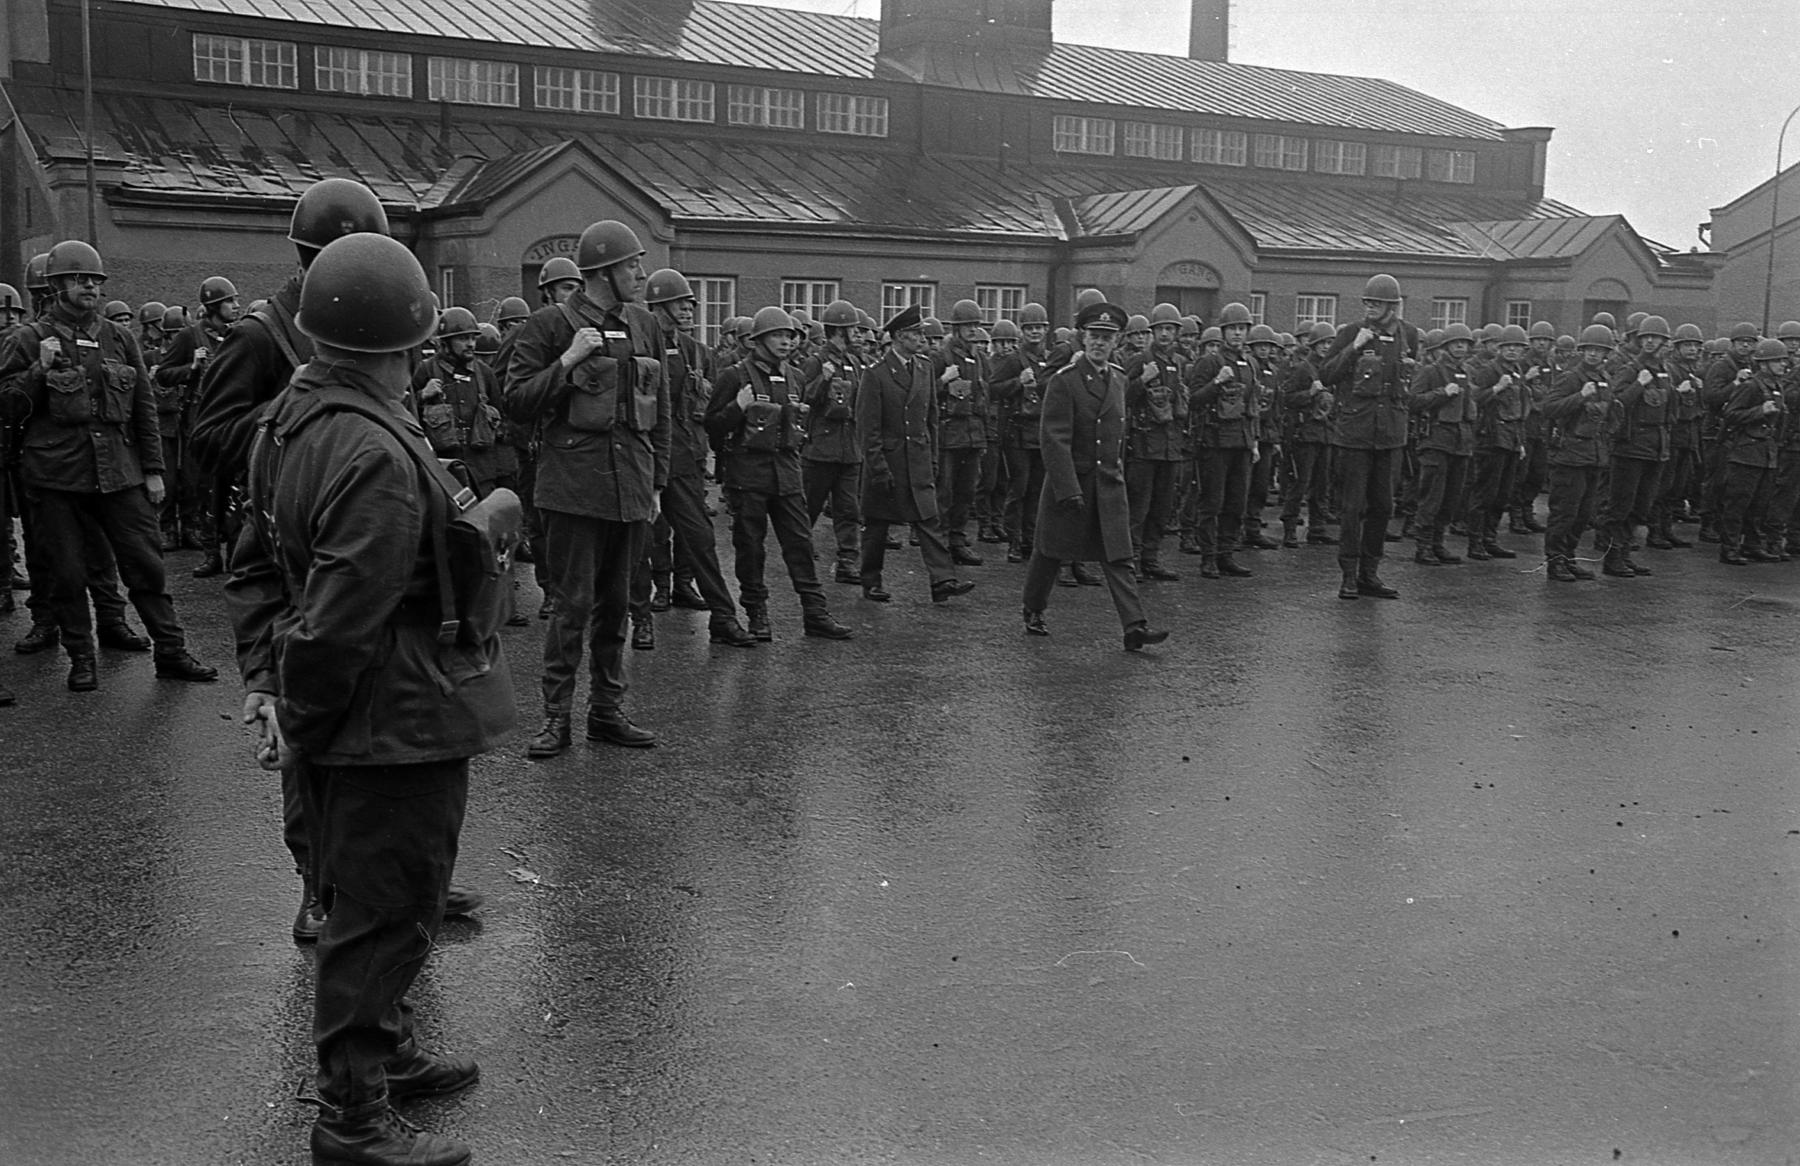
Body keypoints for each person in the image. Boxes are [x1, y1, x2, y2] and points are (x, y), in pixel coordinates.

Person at [225, 231, 514, 1166]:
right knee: (386, 910)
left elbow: (255, 568)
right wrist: (302, 721)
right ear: (412, 337)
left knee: (367, 898)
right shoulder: (376, 450)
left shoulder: (286, 419)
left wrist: (269, 685)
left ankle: (383, 1053)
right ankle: (352, 1115)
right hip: (393, 714)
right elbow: (344, 620)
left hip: (353, 706)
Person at [0, 239, 218, 693]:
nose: (89, 288)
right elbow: (7, 408)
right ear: (56, 286)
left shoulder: (118, 338)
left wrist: (154, 470)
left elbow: (143, 407)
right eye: (78, 279)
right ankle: (82, 658)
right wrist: (38, 371)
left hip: (119, 472)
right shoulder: (28, 339)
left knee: (146, 564)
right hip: (56, 478)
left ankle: (171, 651)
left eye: (95, 281)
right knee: (66, 573)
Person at [505, 220, 669, 757]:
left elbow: (663, 409)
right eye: (631, 265)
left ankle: (606, 710)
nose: (640, 274)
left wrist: (657, 482)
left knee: (617, 605)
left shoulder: (645, 324)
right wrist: (568, 360)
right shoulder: (549, 325)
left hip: (631, 485)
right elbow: (517, 402)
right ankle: (556, 717)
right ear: (602, 272)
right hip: (573, 488)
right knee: (571, 607)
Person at [1021, 301, 1169, 651]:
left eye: (1107, 337)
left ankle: (1134, 626)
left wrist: (1118, 474)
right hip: (1072, 483)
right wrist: (1067, 488)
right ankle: (1033, 608)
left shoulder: (1118, 378)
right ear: (1083, 338)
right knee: (1050, 552)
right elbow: (1054, 439)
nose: (1100, 343)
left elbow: (1117, 433)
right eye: (1094, 336)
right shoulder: (1065, 381)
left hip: (1108, 483)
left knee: (1119, 556)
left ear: (1117, 341)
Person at [705, 307, 853, 640]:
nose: (786, 342)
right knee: (751, 548)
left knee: (800, 544)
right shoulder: (734, 376)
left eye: (789, 336)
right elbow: (713, 426)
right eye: (777, 336)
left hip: (786, 473)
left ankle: (815, 613)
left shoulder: (796, 377)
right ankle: (756, 612)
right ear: (758, 340)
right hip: (748, 476)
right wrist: (737, 407)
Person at [628, 268, 754, 648]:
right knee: (640, 544)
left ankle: (723, 617)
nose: (688, 310)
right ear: (658, 306)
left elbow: (709, 409)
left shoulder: (696, 351)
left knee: (700, 539)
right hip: (644, 458)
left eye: (690, 304)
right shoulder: (636, 343)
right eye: (680, 303)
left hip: (684, 459)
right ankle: (642, 618)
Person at [855, 305, 974, 604]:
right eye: (915, 333)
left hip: (918, 459)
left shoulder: (923, 368)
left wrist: (932, 457)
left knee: (929, 521)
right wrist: (878, 467)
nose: (922, 339)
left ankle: (943, 581)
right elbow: (868, 428)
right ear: (898, 337)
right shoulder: (876, 374)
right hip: (889, 461)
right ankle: (871, 581)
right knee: (877, 526)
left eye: (921, 333)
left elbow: (931, 418)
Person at [1317, 273, 1421, 600]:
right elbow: (1327, 375)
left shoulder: (1409, 335)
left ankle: (1369, 573)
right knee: (1352, 508)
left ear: (1393, 306)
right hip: (1356, 434)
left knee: (1383, 506)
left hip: (1390, 435)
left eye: (1378, 303)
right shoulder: (1350, 332)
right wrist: (1354, 347)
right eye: (1368, 302)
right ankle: (1349, 574)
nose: (1371, 308)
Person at [157, 275, 241, 566]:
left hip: (231, 419)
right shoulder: (189, 336)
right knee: (202, 485)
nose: (236, 306)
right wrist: (191, 367)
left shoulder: (237, 335)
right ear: (214, 306)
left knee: (233, 487)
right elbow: (163, 374)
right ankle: (209, 551)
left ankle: (233, 550)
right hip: (200, 421)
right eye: (230, 301)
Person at [1183, 301, 1260, 580]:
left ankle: (1226, 554)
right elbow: (1193, 400)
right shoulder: (1210, 362)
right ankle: (1209, 557)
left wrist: (1254, 442)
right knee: (1212, 503)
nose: (1238, 333)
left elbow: (1252, 406)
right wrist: (1216, 382)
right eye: (1232, 329)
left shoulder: (1251, 364)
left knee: (1236, 503)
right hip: (1214, 442)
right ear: (1224, 331)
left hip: (1241, 442)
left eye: (1242, 328)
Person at [1541, 325, 1616, 582]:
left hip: (1594, 455)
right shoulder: (1570, 377)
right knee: (1565, 512)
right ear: (1582, 351)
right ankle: (1555, 561)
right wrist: (1579, 397)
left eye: (1599, 350)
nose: (1593, 354)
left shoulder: (1605, 378)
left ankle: (1569, 557)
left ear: (1606, 353)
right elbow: (1549, 408)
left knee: (1583, 515)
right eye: (1589, 349)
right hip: (1569, 456)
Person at [1601, 315, 1675, 578]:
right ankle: (1612, 558)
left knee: (1642, 506)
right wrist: (1638, 384)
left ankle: (1624, 553)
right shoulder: (1631, 369)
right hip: (1630, 447)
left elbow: (1670, 409)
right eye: (1646, 337)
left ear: (1664, 341)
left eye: (1656, 337)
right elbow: (1616, 403)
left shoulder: (1664, 370)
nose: (1650, 341)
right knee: (1621, 505)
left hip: (1656, 447)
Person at [799, 298, 867, 584]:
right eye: (853, 328)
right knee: (810, 506)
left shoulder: (854, 363)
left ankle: (847, 561)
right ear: (840, 330)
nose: (857, 333)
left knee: (849, 509)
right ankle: (800, 555)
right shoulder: (815, 362)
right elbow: (803, 399)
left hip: (849, 448)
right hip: (821, 450)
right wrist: (823, 379)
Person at [1122, 302, 1188, 580]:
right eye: (1160, 329)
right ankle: (1132, 560)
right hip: (1144, 445)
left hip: (1170, 446)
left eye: (1170, 329)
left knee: (1162, 507)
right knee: (1139, 507)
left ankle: (1150, 558)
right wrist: (1142, 380)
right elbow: (1121, 396)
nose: (1165, 334)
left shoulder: (1178, 363)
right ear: (1152, 332)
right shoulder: (1140, 360)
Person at [1715, 338, 1790, 565]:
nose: (1782, 364)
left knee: (1760, 503)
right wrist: (1759, 411)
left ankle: (1752, 544)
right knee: (1738, 503)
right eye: (1777, 361)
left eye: (1783, 360)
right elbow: (1730, 414)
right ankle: (1729, 547)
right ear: (1764, 363)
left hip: (1766, 453)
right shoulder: (1751, 386)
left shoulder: (1777, 387)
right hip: (1746, 453)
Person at [1464, 323, 1532, 560]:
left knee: (1503, 494)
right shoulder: (1489, 370)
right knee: (1485, 492)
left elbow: (1518, 409)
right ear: (1500, 348)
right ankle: (1475, 542)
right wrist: (1496, 388)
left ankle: (1490, 538)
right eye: (1508, 346)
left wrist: (1520, 441)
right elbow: (1474, 399)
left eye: (1517, 346)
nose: (1512, 350)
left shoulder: (1517, 371)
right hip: (1490, 439)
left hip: (1510, 439)